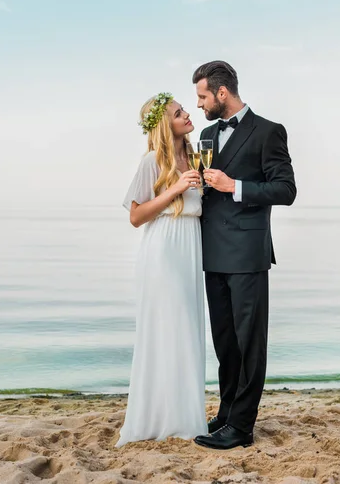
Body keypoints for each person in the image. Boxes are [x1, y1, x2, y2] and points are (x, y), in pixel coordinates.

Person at [192, 61, 296, 450]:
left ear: (222, 93)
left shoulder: (268, 131)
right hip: (211, 252)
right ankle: (226, 412)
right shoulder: (205, 133)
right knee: (224, 342)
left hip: (248, 253)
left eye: (202, 96)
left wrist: (234, 185)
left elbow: (285, 190)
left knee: (249, 342)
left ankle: (242, 427)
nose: (199, 104)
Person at [115, 92, 207, 447]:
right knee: (169, 330)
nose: (186, 114)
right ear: (164, 125)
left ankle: (184, 417)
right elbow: (136, 216)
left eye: (185, 109)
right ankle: (160, 419)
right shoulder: (154, 160)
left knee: (187, 333)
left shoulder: (195, 156)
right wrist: (177, 189)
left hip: (189, 249)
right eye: (178, 112)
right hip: (164, 251)